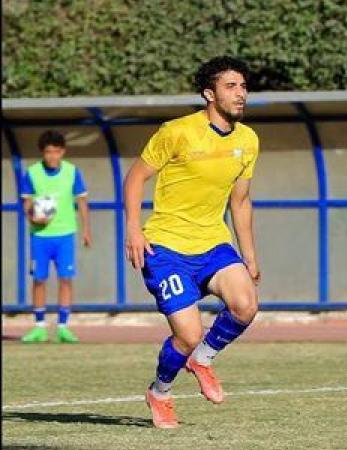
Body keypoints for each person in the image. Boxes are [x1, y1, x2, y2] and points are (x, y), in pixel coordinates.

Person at [123, 56, 261, 429]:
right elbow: (135, 178)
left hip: (213, 242)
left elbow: (241, 201)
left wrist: (249, 256)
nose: (240, 93)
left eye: (243, 86)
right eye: (231, 86)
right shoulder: (177, 132)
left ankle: (202, 360)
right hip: (166, 247)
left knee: (246, 305)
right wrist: (134, 229)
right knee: (187, 333)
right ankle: (160, 392)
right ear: (209, 94)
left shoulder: (248, 140)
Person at [20, 130, 92, 344]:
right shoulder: (32, 173)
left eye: (56, 152)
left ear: (63, 152)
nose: (52, 156)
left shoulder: (72, 172)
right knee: (39, 279)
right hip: (40, 236)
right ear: (43, 152)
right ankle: (39, 326)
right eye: (48, 152)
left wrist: (86, 230)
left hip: (65, 234)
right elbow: (26, 203)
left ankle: (63, 327)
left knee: (65, 279)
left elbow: (82, 203)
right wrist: (33, 216)